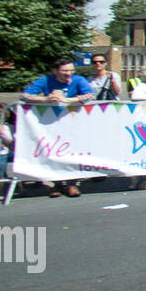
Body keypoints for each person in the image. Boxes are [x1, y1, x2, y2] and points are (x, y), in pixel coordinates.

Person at [21, 58, 96, 197]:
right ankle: (56, 184)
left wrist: (68, 100)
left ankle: (72, 183)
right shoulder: (45, 80)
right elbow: (25, 95)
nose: (68, 74)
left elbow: (90, 95)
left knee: (73, 152)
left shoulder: (78, 80)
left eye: (71, 70)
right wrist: (45, 99)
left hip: (73, 123)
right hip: (51, 124)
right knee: (53, 152)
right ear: (55, 71)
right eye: (64, 71)